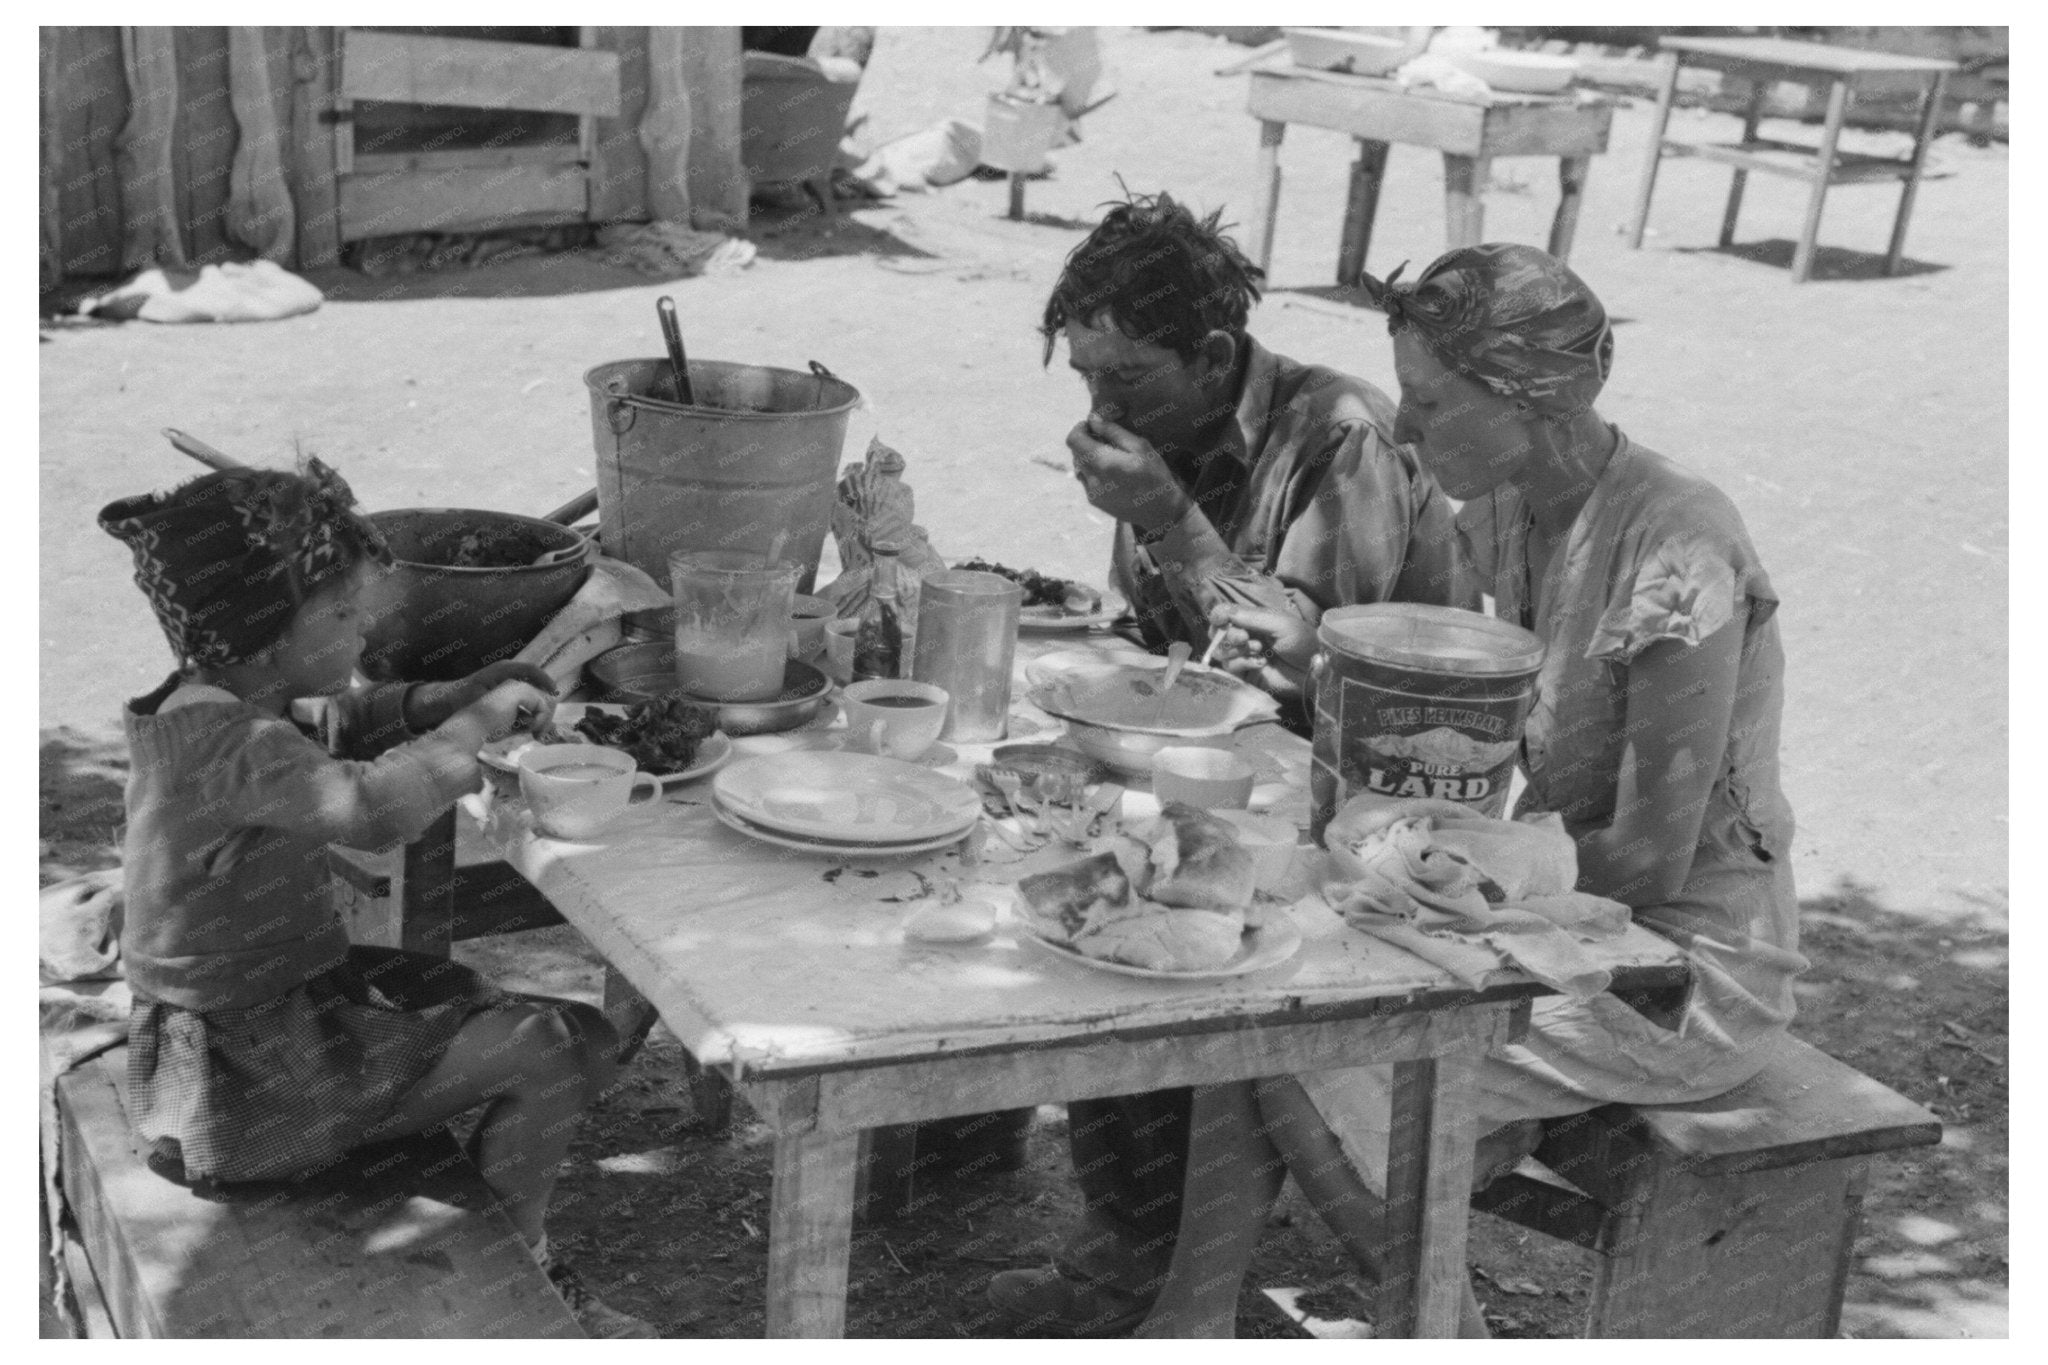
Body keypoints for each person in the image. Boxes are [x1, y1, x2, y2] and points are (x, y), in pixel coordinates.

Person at [1137, 243, 1808, 1337]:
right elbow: (1450, 726)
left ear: (1529, 398)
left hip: (1682, 970)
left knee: (1309, 1050)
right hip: (1563, 919)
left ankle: (1445, 1337)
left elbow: (1647, 862)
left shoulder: (1676, 540)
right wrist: (1322, 668)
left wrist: (1456, 862)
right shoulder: (1501, 510)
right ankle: (1187, 1325)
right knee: (1258, 971)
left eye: (1429, 403)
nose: (1403, 432)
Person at [986, 192, 1470, 1337]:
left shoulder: (1337, 432)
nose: (1104, 410)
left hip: (1357, 799)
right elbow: (1168, 650)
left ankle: (1143, 1278)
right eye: (1088, 382)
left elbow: (1325, 673)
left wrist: (1166, 520)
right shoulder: (1173, 426)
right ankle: (1122, 1258)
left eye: (1130, 380)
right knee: (1087, 902)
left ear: (1212, 354)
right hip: (1218, 765)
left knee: (1164, 941)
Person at [97, 460, 659, 1339]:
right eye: (343, 615)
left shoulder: (218, 706)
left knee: (531, 1018)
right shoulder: (232, 742)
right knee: (545, 1048)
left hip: (258, 1031)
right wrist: (475, 731)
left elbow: (345, 726)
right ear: (263, 635)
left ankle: (496, 1242)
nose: (365, 633)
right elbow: (369, 809)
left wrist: (446, 699)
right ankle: (531, 1283)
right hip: (244, 1089)